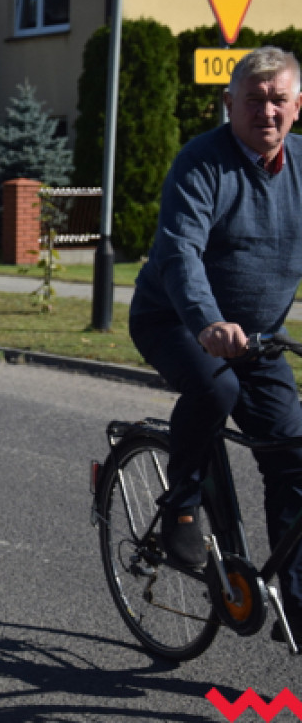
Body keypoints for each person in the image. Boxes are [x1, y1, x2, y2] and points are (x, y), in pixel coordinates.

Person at [129, 46, 302, 641]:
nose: (267, 111)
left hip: (257, 339)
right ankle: (181, 503)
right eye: (253, 100)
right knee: (214, 384)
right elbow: (180, 253)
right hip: (174, 319)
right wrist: (205, 320)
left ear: (298, 105)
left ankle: (295, 601)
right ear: (228, 103)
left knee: (294, 452)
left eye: (278, 99)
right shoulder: (202, 163)